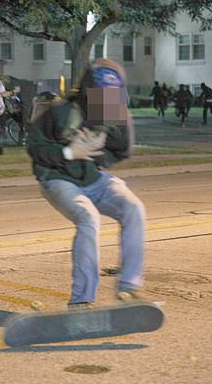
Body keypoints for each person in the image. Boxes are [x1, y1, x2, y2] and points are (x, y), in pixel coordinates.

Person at [26, 58, 146, 308]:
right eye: (101, 97)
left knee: (133, 207)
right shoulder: (60, 112)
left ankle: (128, 288)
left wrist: (97, 152)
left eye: (112, 98)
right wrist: (71, 153)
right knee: (89, 218)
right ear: (88, 92)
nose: (106, 104)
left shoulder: (113, 109)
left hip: (92, 178)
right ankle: (82, 300)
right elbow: (35, 148)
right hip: (57, 179)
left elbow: (124, 149)